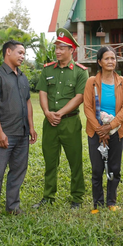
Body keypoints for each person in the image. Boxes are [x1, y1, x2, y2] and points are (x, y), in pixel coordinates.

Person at [33, 27, 89, 209]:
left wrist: (60, 113)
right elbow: (42, 92)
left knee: (75, 161)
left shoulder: (81, 72)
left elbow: (79, 97)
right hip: (49, 122)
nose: (57, 51)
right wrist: (47, 113)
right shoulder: (48, 69)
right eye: (56, 47)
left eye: (62, 47)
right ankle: (48, 196)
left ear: (71, 50)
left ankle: (77, 197)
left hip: (70, 122)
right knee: (50, 160)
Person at [0, 40, 37, 218]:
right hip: (4, 133)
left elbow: (28, 101)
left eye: (24, 53)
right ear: (8, 52)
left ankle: (12, 206)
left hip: (22, 133)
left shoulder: (22, 76)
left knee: (18, 172)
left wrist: (31, 126)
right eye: (20, 53)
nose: (23, 56)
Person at [83, 46, 123, 213]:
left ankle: (111, 201)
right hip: (95, 131)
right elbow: (87, 107)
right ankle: (97, 203)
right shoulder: (91, 82)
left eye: (113, 58)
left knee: (114, 167)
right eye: (107, 58)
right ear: (99, 62)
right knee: (97, 168)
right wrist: (99, 130)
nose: (111, 61)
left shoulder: (122, 82)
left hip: (117, 130)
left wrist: (110, 127)